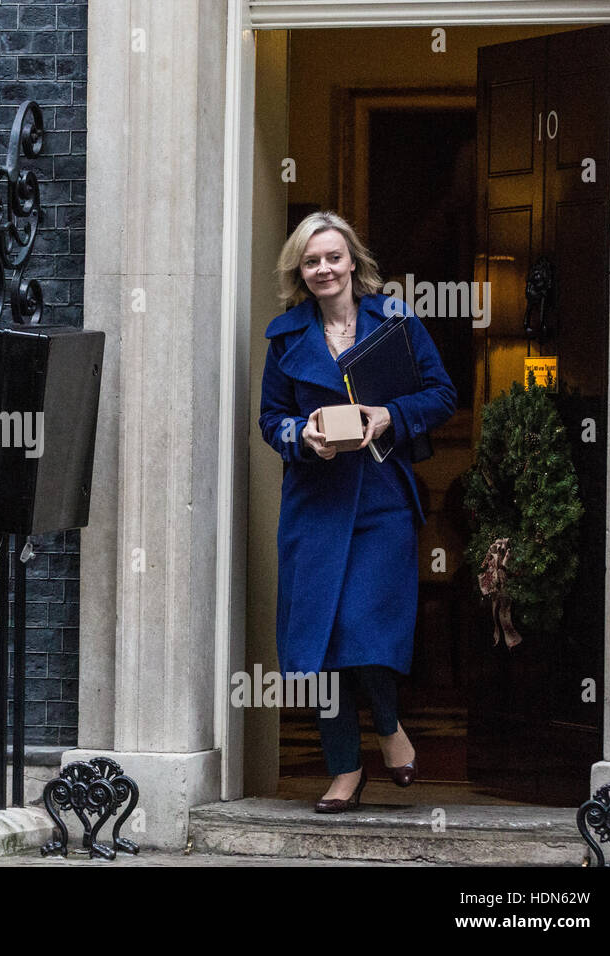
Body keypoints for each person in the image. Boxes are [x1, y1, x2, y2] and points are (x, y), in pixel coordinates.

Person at [257, 210, 457, 813]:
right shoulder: (286, 336)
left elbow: (442, 393)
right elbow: (270, 420)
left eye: (333, 257)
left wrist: (389, 415)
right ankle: (345, 770)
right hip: (315, 506)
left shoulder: (394, 322)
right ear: (301, 269)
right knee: (323, 643)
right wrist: (303, 436)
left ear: (352, 263)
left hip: (380, 499)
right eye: (311, 261)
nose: (323, 269)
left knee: (369, 633)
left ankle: (390, 727)